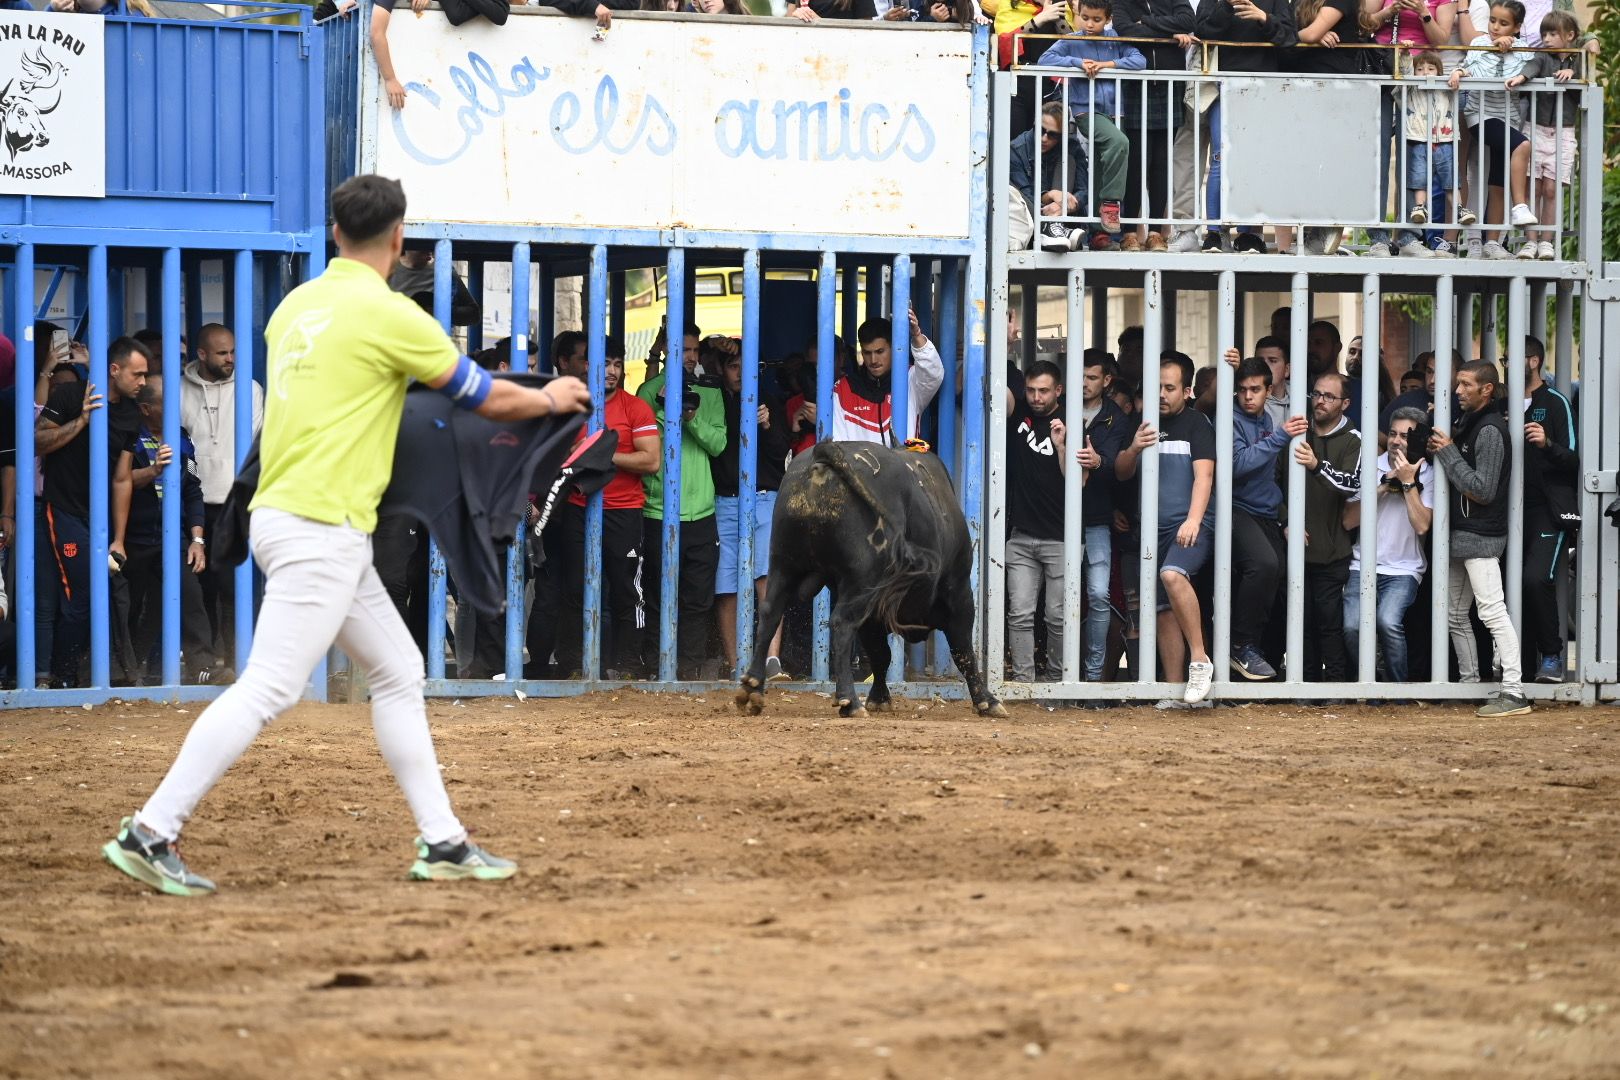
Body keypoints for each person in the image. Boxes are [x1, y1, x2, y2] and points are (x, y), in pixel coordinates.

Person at [101, 175, 592, 896]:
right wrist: (550, 396)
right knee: (267, 687)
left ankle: (445, 843)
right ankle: (151, 829)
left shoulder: (291, 310)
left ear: (335, 233)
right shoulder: (390, 314)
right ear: (398, 238)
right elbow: (482, 396)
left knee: (397, 672)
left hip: (291, 515)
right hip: (322, 525)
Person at [33, 337, 151, 688]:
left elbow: (122, 478)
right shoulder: (70, 396)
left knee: (104, 592)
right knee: (82, 594)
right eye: (138, 374)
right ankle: (63, 676)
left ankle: (84, 674)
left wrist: (119, 537)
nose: (143, 382)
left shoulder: (130, 414)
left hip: (99, 522)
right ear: (115, 370)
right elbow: (39, 441)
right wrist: (83, 420)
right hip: (64, 509)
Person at [1429, 360, 1530, 717]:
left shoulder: (1488, 430)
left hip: (1482, 534)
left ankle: (1514, 690)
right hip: (1464, 534)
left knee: (1491, 612)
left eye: (1466, 385)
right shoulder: (1472, 424)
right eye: (1457, 384)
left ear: (1486, 389)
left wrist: (1448, 452)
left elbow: (1483, 490)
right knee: (1456, 613)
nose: (1457, 391)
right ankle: (1471, 684)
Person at [1115, 352, 1215, 706]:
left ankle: (1200, 660)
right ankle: (1174, 689)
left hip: (1187, 525)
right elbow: (1122, 471)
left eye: (1169, 388)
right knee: (1161, 608)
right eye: (1156, 387)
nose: (1161, 394)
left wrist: (1193, 519)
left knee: (1173, 576)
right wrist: (1135, 447)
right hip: (1150, 529)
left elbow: (1205, 475)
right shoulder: (1143, 422)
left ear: (1187, 391)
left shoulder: (1197, 423)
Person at [637, 329, 726, 680]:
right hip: (658, 509)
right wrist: (664, 409)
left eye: (692, 350)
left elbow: (718, 444)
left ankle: (688, 666)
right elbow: (643, 444)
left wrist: (690, 417)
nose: (688, 356)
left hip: (702, 511)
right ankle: (658, 664)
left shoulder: (710, 391)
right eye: (681, 349)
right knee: (657, 594)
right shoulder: (648, 392)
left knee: (698, 597)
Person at [124, 375, 224, 685]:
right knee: (133, 606)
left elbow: (193, 490)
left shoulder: (181, 438)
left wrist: (197, 539)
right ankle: (125, 669)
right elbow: (117, 483)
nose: (174, 410)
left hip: (173, 537)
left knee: (191, 595)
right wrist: (152, 469)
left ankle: (202, 666)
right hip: (133, 538)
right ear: (145, 408)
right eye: (165, 405)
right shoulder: (128, 438)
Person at [180, 324, 264, 670]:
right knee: (199, 590)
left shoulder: (250, 389)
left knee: (235, 588)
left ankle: (236, 662)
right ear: (201, 354)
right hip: (193, 504)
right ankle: (206, 666)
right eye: (222, 353)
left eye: (232, 351)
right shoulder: (178, 390)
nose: (230, 359)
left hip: (235, 504)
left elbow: (258, 443)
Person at [711, 339, 792, 679]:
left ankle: (771, 660)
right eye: (733, 367)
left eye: (746, 367)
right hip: (724, 501)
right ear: (721, 370)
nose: (741, 374)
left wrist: (768, 425)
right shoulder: (713, 401)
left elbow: (781, 453)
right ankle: (735, 665)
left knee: (766, 580)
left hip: (763, 499)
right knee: (726, 585)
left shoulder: (768, 401)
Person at [1224, 351, 1307, 680]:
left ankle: (1268, 659)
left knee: (1283, 577)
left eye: (1255, 389)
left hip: (1266, 513)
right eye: (1242, 389)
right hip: (1235, 508)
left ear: (1269, 391)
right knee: (1264, 565)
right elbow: (1237, 465)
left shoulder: (1266, 421)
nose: (1247, 396)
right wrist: (1281, 437)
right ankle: (1241, 645)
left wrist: (1285, 518)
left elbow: (1269, 476)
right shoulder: (1230, 419)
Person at [1037, 0, 1146, 251]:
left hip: (1115, 113)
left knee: (1101, 163)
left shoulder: (1114, 39)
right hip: (1086, 110)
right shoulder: (1073, 40)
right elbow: (1046, 58)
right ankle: (1110, 203)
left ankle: (1098, 235)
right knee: (1119, 143)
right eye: (1085, 17)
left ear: (1107, 19)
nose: (1089, 24)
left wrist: (1107, 65)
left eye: (1096, 20)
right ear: (1078, 15)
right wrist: (1078, 63)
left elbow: (1139, 60)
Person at [1195, 0, 1297, 253]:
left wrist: (1264, 17)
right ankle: (1215, 232)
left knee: (1253, 159)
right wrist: (1227, 7)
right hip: (1223, 86)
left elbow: (1289, 38)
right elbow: (1203, 31)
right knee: (1220, 156)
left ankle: (1247, 233)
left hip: (1262, 88)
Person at [1342, 408, 1434, 683]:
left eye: (1405, 436)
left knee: (1387, 622)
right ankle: (1370, 685)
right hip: (1362, 565)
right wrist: (1383, 485)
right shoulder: (1371, 465)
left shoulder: (1427, 472)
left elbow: (1422, 525)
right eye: (1393, 433)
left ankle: (1398, 692)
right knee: (1351, 627)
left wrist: (1407, 482)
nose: (1396, 441)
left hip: (1404, 569)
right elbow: (1348, 521)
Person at [1449, 1, 1537, 260]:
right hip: (1480, 115)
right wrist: (1462, 69)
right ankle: (1520, 207)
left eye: (1504, 23)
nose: (1496, 28)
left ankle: (1493, 243)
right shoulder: (1480, 43)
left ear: (1518, 27)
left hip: (1508, 116)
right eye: (1493, 21)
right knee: (1522, 145)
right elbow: (1472, 67)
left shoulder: (1522, 49)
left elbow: (1527, 70)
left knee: (1497, 183)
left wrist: (1509, 51)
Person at [1289, 371, 1362, 684]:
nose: (1319, 401)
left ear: (1344, 403)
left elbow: (1351, 484)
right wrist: (1285, 521)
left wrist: (1317, 466)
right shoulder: (1297, 432)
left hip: (1333, 552)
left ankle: (1334, 686)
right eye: (1316, 394)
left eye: (1328, 396)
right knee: (1299, 623)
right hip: (1295, 547)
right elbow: (1276, 485)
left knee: (1329, 623)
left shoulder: (1354, 440)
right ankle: (1303, 687)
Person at [1005, 360, 1070, 683]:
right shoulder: (1018, 414)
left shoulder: (1072, 422)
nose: (1036, 397)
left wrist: (1061, 447)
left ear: (1058, 390)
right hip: (1021, 535)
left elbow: (1078, 480)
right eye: (1030, 390)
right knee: (1019, 614)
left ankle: (1056, 681)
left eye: (1043, 391)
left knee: (1057, 617)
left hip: (1061, 536)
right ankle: (1023, 681)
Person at [1519, 336, 1577, 683]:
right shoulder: (1503, 403)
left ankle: (1552, 656)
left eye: (1516, 359)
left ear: (1536, 361)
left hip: (1546, 508)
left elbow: (1573, 459)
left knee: (1534, 578)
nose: (1509, 366)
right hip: (1505, 511)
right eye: (1505, 359)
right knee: (1511, 586)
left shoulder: (1555, 402)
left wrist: (1547, 443)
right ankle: (1520, 668)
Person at [1508, 10, 1582, 260]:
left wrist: (1573, 75)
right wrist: (1522, 76)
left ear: (1570, 35)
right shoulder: (1542, 57)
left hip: (1564, 131)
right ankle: (1530, 241)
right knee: (1534, 186)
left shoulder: (1578, 60)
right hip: (1536, 128)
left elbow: (1584, 83)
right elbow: (1531, 66)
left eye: (1553, 34)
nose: (1547, 39)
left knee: (1551, 188)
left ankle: (1547, 241)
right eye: (1544, 34)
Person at [831, 312, 944, 445]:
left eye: (880, 352)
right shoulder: (843, 388)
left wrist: (917, 335)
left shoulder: (910, 379)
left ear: (893, 348)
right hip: (858, 466)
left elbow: (933, 373)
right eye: (867, 353)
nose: (873, 360)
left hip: (904, 465)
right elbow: (838, 443)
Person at [1398, 51, 1460, 258]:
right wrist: (1406, 56)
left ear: (1440, 72)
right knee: (1419, 177)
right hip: (1418, 138)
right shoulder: (1413, 90)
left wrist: (1457, 74)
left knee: (1449, 178)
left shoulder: (1446, 91)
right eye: (1420, 69)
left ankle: (1459, 208)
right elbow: (1404, 75)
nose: (1426, 73)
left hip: (1444, 139)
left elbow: (1463, 86)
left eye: (1431, 69)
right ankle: (1419, 207)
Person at [1009, 102, 1094, 252]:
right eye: (1040, 130)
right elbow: (1026, 197)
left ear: (1062, 134)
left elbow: (1084, 190)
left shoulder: (1072, 147)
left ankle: (1058, 227)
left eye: (1052, 134)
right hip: (1032, 223)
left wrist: (1064, 205)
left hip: (1067, 218)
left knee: (1067, 161)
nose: (1043, 138)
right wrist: (1051, 195)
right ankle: (1053, 228)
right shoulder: (1016, 149)